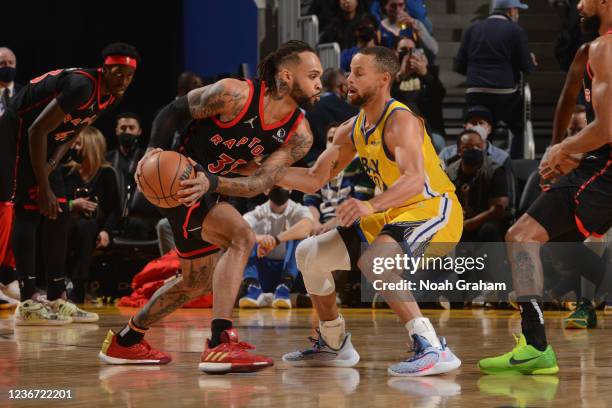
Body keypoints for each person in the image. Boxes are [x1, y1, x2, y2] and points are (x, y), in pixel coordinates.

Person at [98, 40, 322, 374]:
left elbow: (260, 182)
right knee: (242, 237)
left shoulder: (299, 134)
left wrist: (213, 183)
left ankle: (127, 340)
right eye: (313, 75)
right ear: (287, 77)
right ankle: (220, 342)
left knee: (196, 282)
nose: (320, 83)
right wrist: (154, 150)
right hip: (181, 179)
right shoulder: (235, 94)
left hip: (212, 189)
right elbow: (173, 111)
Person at [278, 46, 463, 376]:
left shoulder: (401, 120)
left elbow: (415, 180)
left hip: (435, 209)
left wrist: (369, 204)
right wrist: (261, 172)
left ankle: (432, 347)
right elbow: (313, 179)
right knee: (310, 254)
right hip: (396, 214)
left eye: (359, 73)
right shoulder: (352, 129)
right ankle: (334, 343)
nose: (349, 79)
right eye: (349, 72)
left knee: (375, 261)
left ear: (384, 78)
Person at [478, 0, 612, 374]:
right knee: (537, 237)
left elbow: (606, 129)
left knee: (521, 237)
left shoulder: (605, 47)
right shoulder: (589, 51)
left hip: (607, 168)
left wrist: (560, 149)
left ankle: (536, 344)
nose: (579, 6)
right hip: (596, 165)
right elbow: (568, 99)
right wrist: (558, 155)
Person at [2, 42, 138, 325]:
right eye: (118, 73)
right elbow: (35, 129)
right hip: (17, 129)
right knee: (29, 210)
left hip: (46, 138)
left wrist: (51, 166)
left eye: (129, 75)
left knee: (60, 213)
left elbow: (75, 128)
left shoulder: (113, 95)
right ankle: (28, 299)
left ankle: (56, 296)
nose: (123, 80)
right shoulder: (82, 86)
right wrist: (42, 182)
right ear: (105, 69)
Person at [454, 0, 537, 158]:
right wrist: (529, 60)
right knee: (519, 128)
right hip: (504, 94)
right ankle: (514, 168)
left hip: (475, 92)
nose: (517, 14)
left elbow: (459, 66)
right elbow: (527, 68)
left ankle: (476, 164)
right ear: (511, 11)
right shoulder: (515, 30)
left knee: (481, 129)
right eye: (517, 10)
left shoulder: (473, 28)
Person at [63, 127, 121, 304]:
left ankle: (78, 285)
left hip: (94, 225)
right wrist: (73, 205)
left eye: (79, 143)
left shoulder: (107, 173)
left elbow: (115, 210)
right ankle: (59, 282)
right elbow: (58, 202)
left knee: (85, 227)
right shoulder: (67, 172)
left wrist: (107, 232)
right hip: (68, 222)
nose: (74, 147)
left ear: (91, 145)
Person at [239, 187, 314, 309]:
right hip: (263, 272)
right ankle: (253, 287)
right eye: (275, 185)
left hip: (291, 274)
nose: (280, 187)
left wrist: (276, 240)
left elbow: (307, 227)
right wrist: (259, 239)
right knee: (246, 239)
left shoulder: (299, 210)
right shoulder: (257, 212)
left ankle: (283, 288)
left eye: (283, 184)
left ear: (290, 188)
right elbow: (239, 231)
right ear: (266, 190)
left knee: (302, 238)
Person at [304, 123, 375, 235]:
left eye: (339, 139)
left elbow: (360, 203)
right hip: (321, 225)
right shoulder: (317, 166)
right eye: (330, 139)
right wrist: (316, 223)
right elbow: (310, 201)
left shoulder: (361, 165)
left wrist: (328, 226)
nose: (334, 144)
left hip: (350, 225)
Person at [391, 36, 446, 142]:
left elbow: (440, 95)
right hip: (397, 126)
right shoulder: (389, 74)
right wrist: (401, 76)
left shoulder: (429, 72)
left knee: (437, 142)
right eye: (404, 50)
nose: (408, 54)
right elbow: (385, 97)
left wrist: (425, 74)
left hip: (427, 127)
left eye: (412, 50)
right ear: (395, 52)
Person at [0, 46, 21, 308]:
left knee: (17, 218)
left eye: (11, 61)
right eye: (2, 62)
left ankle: (10, 275)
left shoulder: (25, 93)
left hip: (18, 165)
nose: (6, 65)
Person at [306, 68, 359, 163]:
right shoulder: (352, 110)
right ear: (342, 87)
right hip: (337, 163)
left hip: (311, 160)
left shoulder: (308, 106)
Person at [439, 105, 510, 168]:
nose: (477, 126)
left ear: (489, 129)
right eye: (473, 122)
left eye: (481, 123)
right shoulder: (447, 154)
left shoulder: (502, 157)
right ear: (465, 127)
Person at [106, 112, 144, 191]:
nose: (127, 131)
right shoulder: (106, 159)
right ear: (116, 131)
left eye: (132, 128)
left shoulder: (146, 159)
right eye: (123, 128)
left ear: (139, 131)